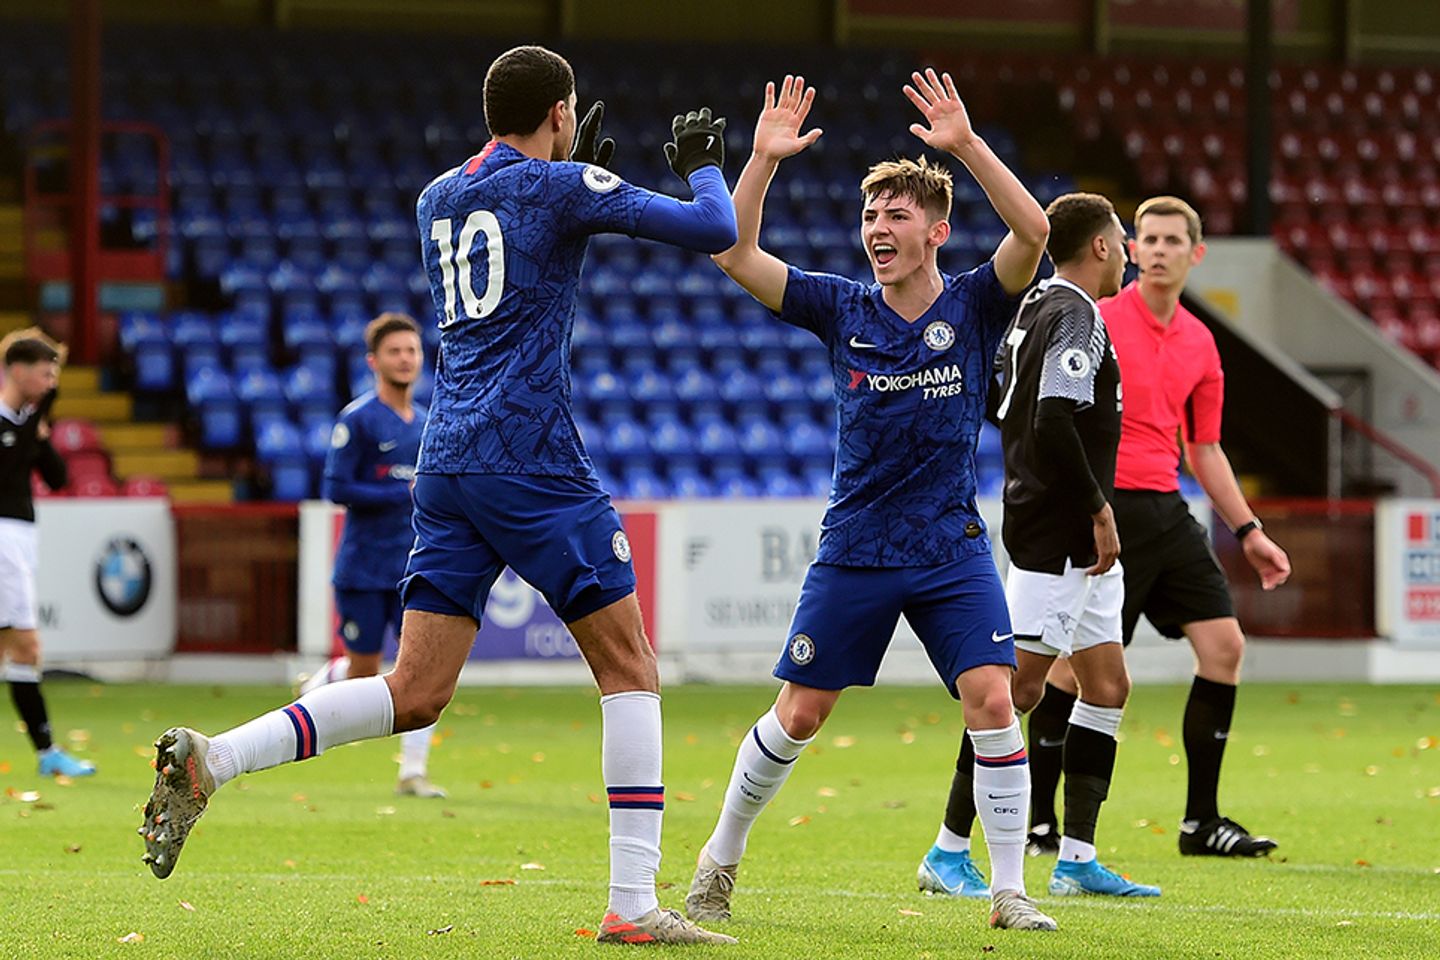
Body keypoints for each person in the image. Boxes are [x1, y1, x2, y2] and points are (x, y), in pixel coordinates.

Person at [140, 44, 739, 945]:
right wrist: (702, 166)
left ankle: (216, 759)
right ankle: (632, 905)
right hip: (532, 455)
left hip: (450, 458)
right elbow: (714, 229)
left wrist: (581, 183)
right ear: (564, 113)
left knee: (415, 688)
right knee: (630, 666)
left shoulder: (436, 197)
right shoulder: (566, 183)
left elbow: (524, 269)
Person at [683, 72, 1057, 932]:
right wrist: (762, 163)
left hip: (949, 545)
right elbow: (735, 253)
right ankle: (719, 860)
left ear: (936, 230)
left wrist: (963, 145)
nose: (877, 230)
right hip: (856, 544)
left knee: (994, 700)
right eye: (869, 216)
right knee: (801, 712)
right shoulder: (839, 306)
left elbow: (1035, 230)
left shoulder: (972, 306)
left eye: (894, 216)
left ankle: (1010, 891)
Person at [917, 193, 1160, 902]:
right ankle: (947, 851)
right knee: (1015, 690)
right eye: (1122, 239)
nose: (1128, 251)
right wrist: (1095, 508)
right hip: (1062, 533)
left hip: (1066, 532)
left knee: (1107, 684)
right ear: (1102, 247)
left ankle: (1078, 858)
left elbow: (1002, 405)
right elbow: (1053, 415)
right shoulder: (1078, 313)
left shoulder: (1032, 307)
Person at [1030, 196, 1290, 859]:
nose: (1159, 249)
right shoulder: (1098, 318)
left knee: (1225, 647)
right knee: (1070, 670)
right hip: (1106, 506)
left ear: (1195, 254)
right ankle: (1038, 822)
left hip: (1167, 509)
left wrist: (1250, 530)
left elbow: (1204, 450)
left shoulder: (1203, 341)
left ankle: (1200, 822)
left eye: (1174, 239)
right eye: (1147, 238)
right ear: (1132, 248)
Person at [301, 312, 444, 798]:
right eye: (395, 352)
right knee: (362, 669)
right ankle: (318, 688)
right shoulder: (357, 420)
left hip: (416, 569)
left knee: (423, 671)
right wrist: (399, 491)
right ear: (374, 361)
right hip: (364, 566)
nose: (405, 359)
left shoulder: (428, 422)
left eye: (412, 351)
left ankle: (413, 772)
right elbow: (336, 487)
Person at [0, 335, 94, 779]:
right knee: (26, 645)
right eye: (45, 371)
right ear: (17, 370)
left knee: (14, 649)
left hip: (21, 538)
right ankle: (47, 751)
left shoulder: (25, 425)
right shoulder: (7, 422)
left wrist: (40, 435)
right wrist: (31, 427)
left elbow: (57, 478)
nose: (51, 380)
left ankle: (47, 753)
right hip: (2, 538)